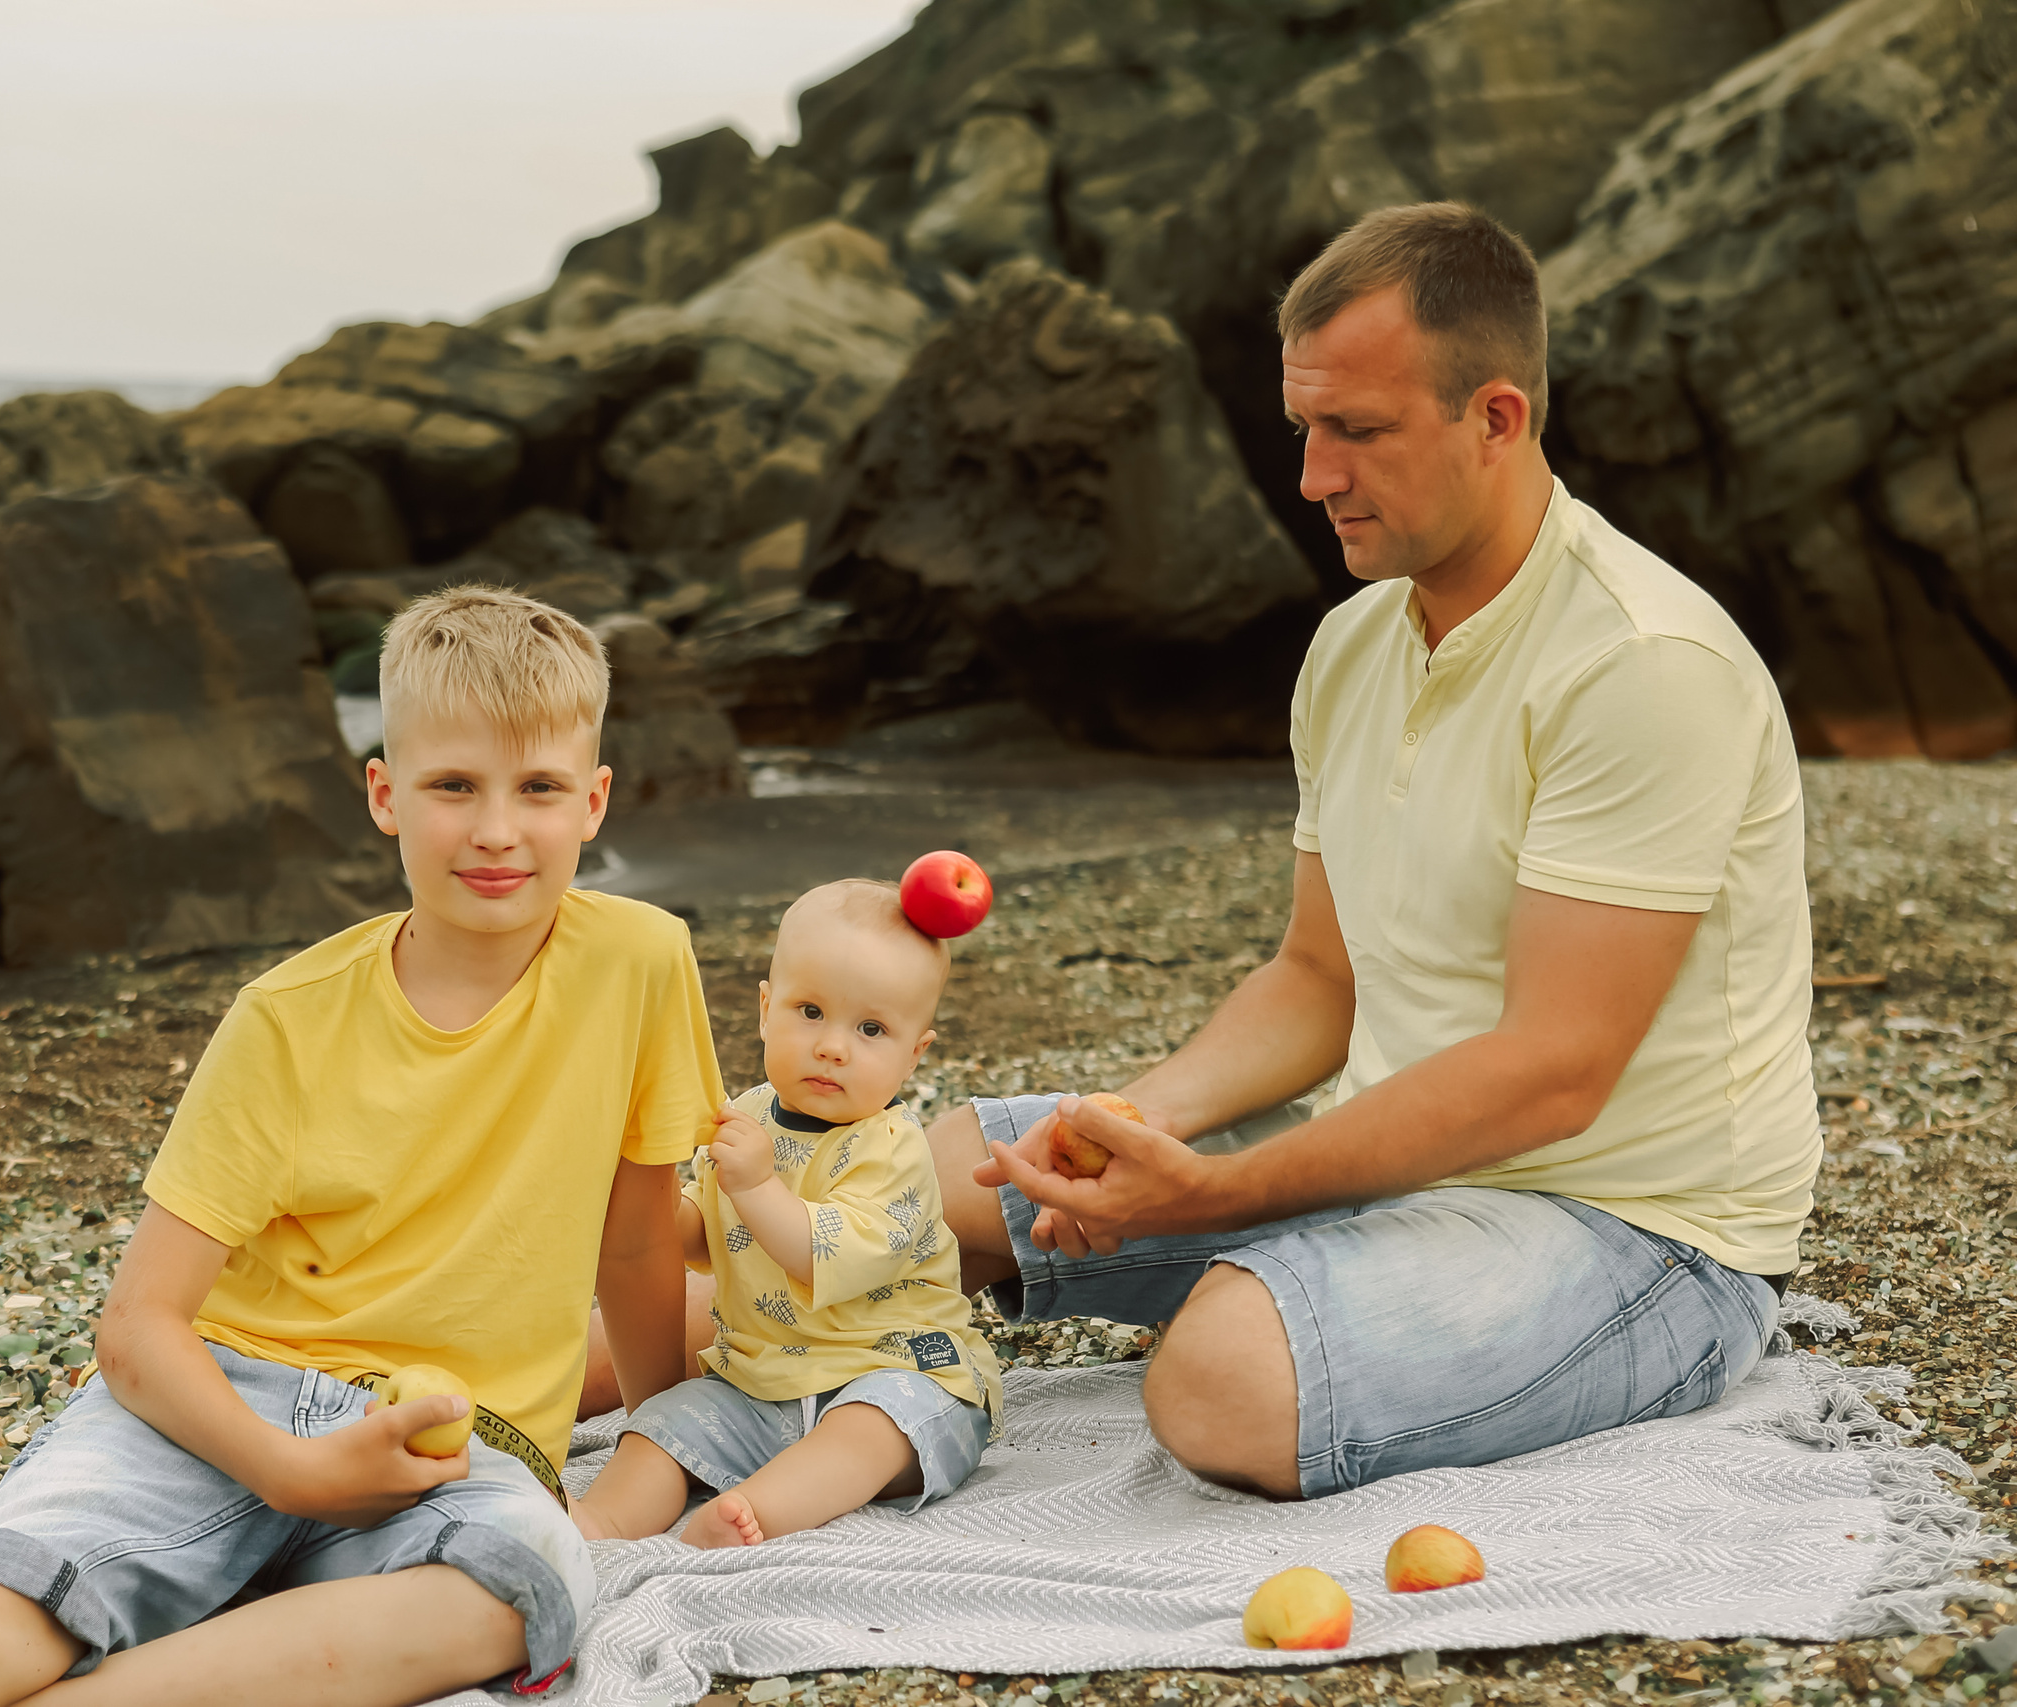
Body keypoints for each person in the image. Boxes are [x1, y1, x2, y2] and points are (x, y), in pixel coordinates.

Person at [585, 200, 1817, 1503]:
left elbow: (1552, 1071)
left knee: (1221, 1376)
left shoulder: (1640, 663)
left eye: (1360, 431)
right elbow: (1320, 977)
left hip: (1637, 1234)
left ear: (1497, 418)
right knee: (938, 1170)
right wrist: (1144, 1124)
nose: (1312, 477)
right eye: (1305, 427)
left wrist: (1216, 1190)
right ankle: (484, 1390)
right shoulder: (1353, 649)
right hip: (1395, 1156)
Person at [0, 586, 724, 1707]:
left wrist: (661, 1445)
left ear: (594, 800)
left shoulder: (641, 962)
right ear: (384, 794)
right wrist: (287, 1470)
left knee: (517, 1588)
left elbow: (633, 1249)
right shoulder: (287, 1018)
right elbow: (138, 1325)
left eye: (538, 790)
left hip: (451, 1443)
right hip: (224, 1398)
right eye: (452, 786)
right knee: (18, 1584)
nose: (495, 830)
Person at [570, 880, 1001, 1549]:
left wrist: (758, 1183)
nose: (833, 1046)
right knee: (663, 1422)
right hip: (758, 1380)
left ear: (916, 1053)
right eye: (810, 1010)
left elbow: (823, 1254)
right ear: (766, 1009)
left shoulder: (892, 1148)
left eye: (871, 1029)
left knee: (871, 1431)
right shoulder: (746, 1114)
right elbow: (706, 1237)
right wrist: (636, 1206)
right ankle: (597, 1524)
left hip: (894, 1369)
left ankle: (756, 1511)